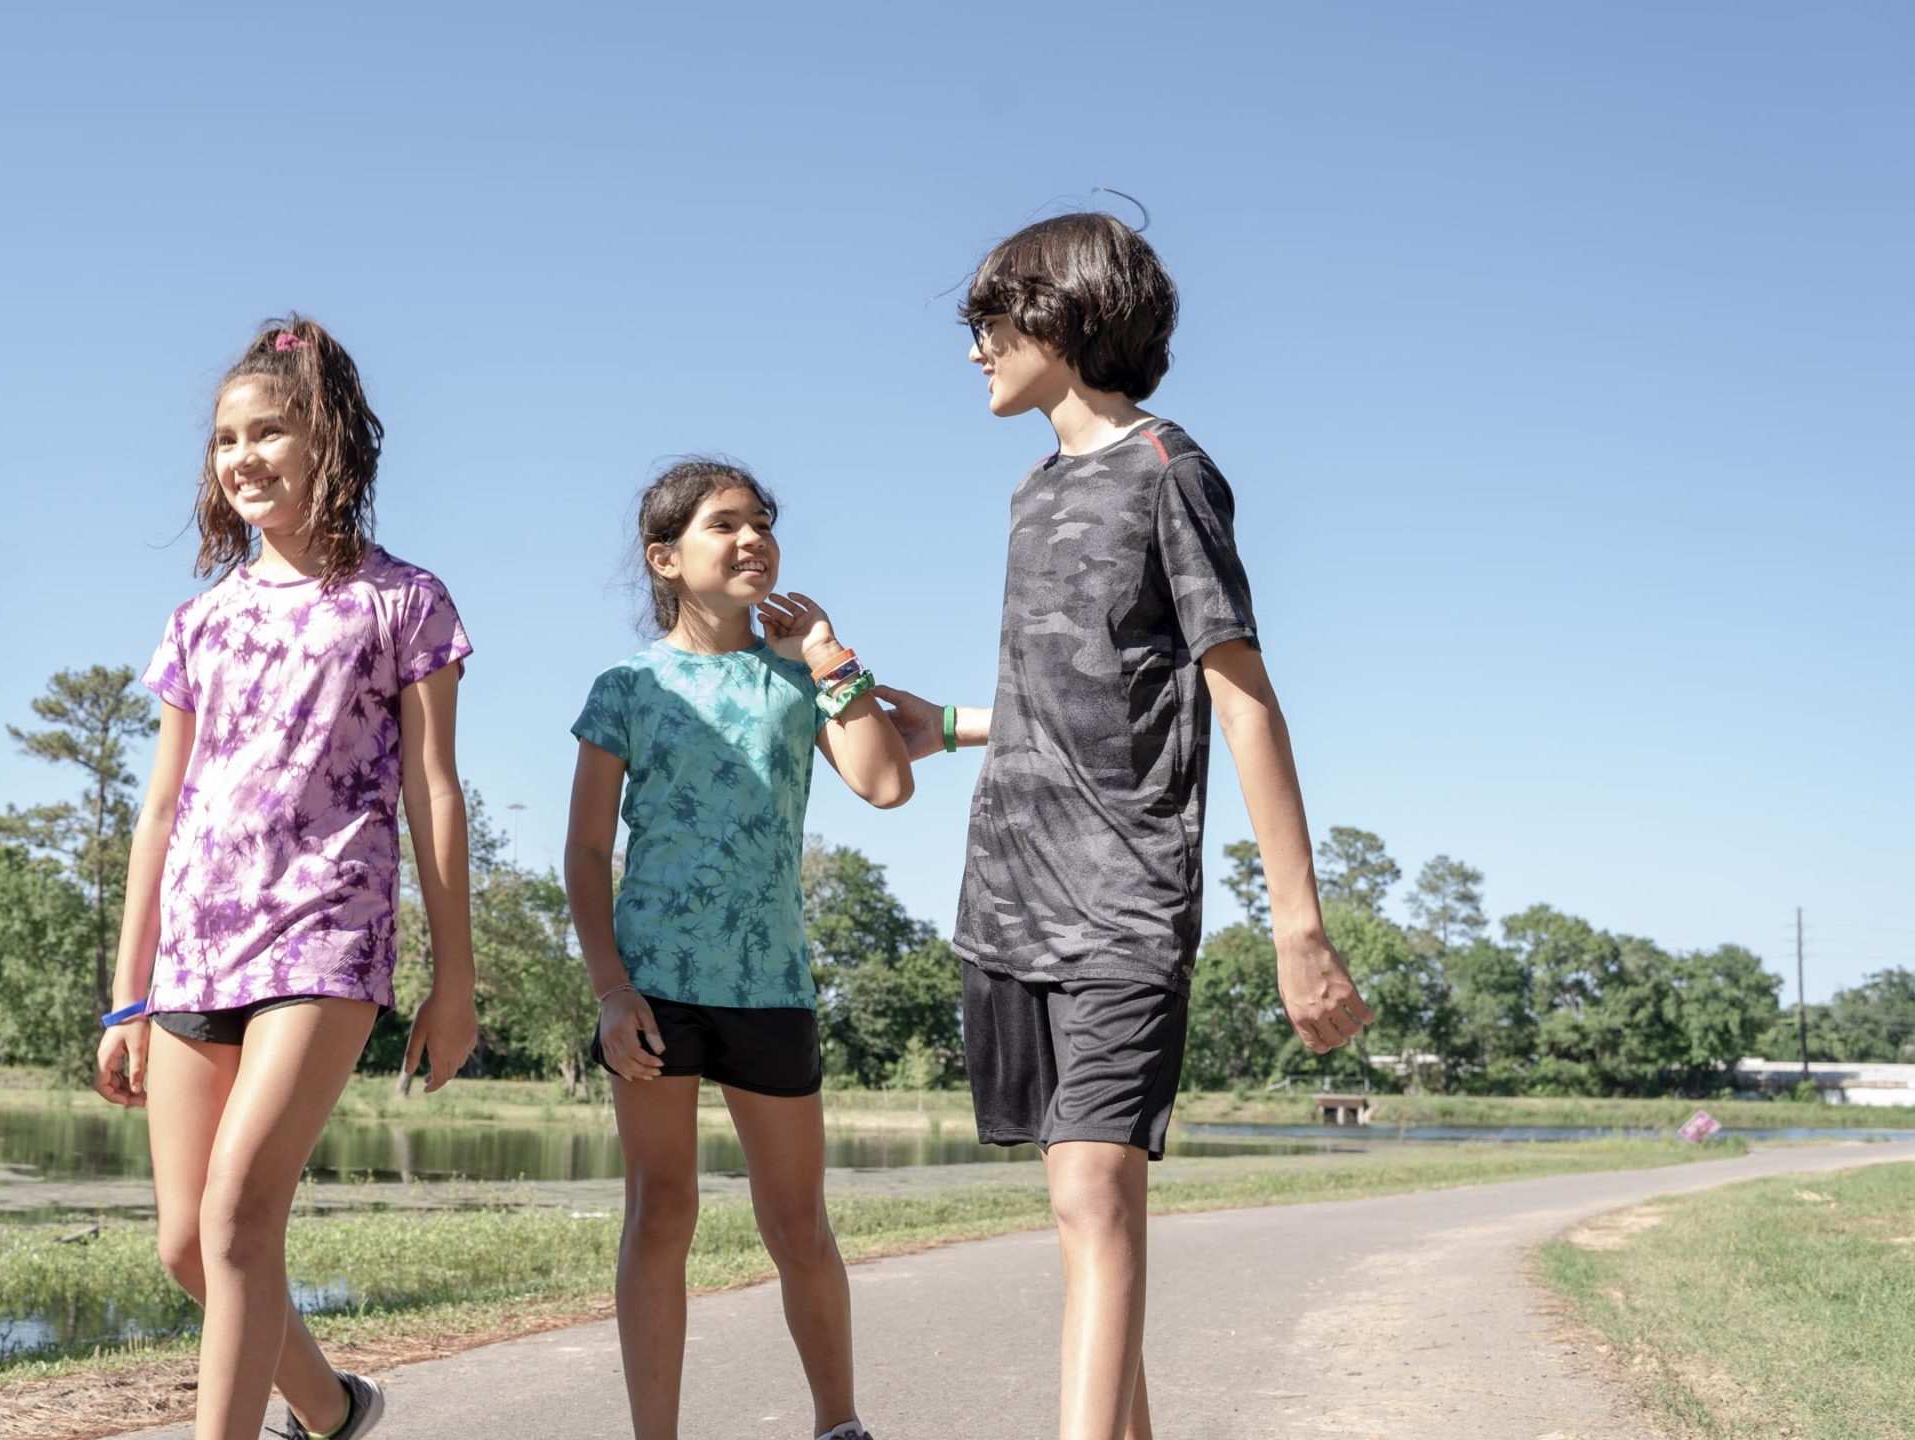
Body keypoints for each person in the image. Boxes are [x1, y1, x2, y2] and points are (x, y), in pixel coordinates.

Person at [870, 212, 1374, 1440]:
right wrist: (943, 721)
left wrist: (1296, 929)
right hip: (1006, 896)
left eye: (989, 320)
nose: (975, 348)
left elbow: (1239, 696)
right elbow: (1079, 683)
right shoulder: (1032, 491)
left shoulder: (1169, 473)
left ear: (1059, 315)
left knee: (1095, 1191)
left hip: (1124, 901)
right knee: (1076, 1204)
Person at [93, 317, 478, 1440]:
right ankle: (334, 1410)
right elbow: (159, 811)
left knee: (237, 1219)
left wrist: (451, 983)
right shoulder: (198, 620)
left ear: (330, 442)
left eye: (270, 431)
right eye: (225, 439)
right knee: (183, 1245)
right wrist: (130, 993)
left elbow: (435, 795)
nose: (244, 456)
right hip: (193, 952)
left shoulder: (404, 602)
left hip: (326, 933)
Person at [563, 458, 912, 1440]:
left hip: (771, 989)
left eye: (762, 521)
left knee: (798, 1226)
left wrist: (829, 656)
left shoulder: (799, 680)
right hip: (654, 992)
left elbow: (885, 783)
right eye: (726, 524)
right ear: (665, 558)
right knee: (661, 1211)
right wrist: (609, 990)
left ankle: (839, 1425)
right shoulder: (627, 686)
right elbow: (587, 852)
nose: (753, 537)